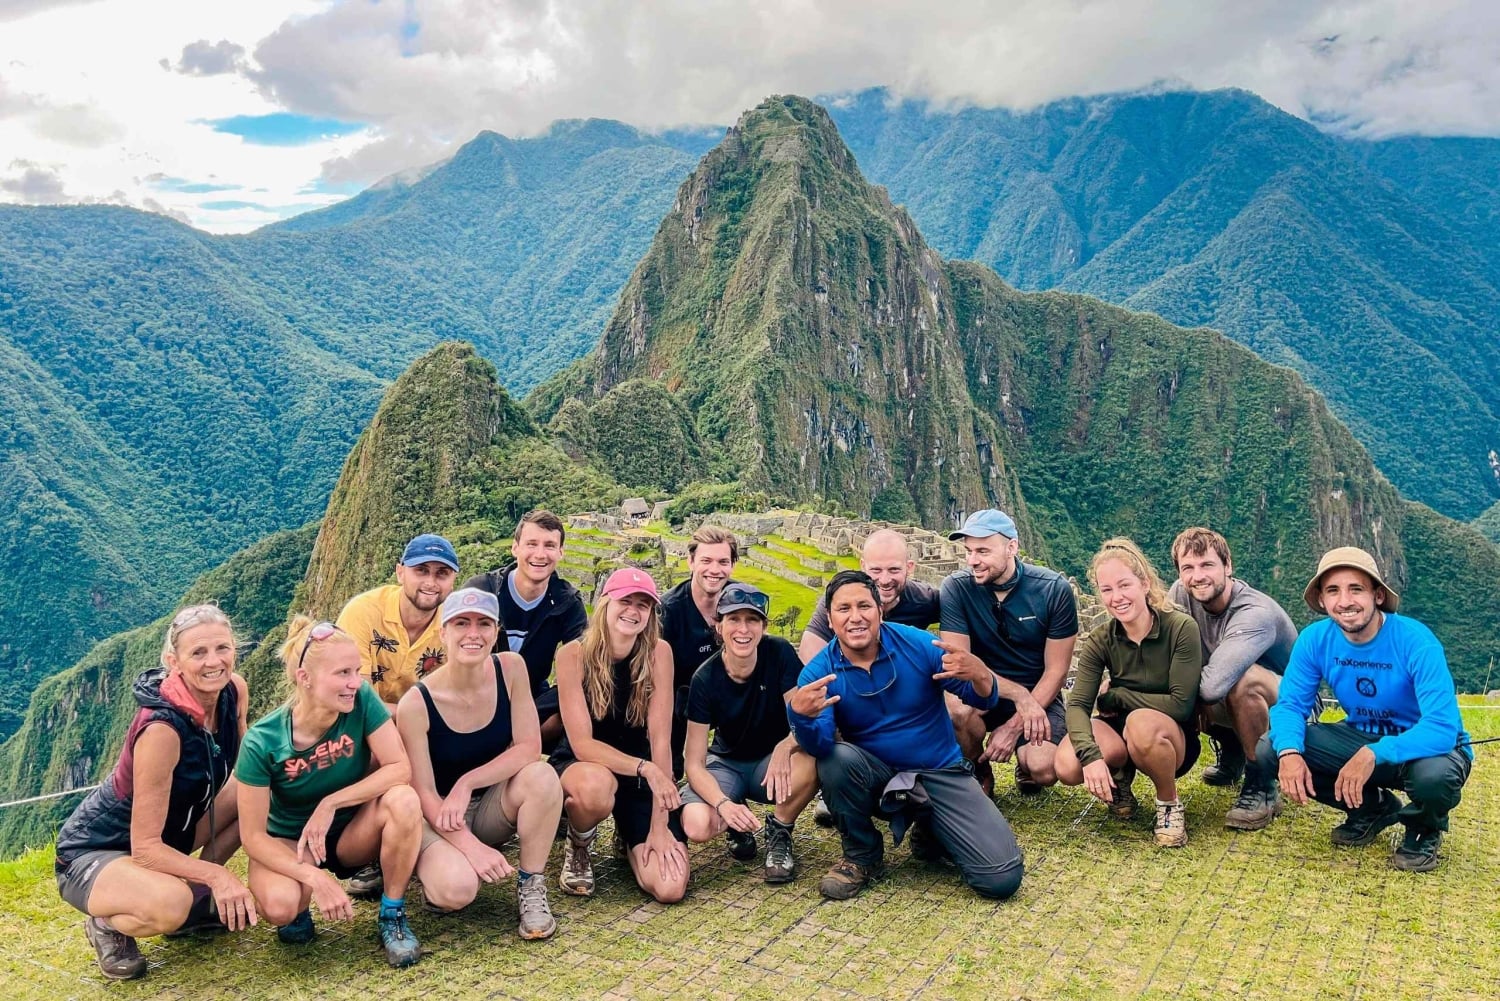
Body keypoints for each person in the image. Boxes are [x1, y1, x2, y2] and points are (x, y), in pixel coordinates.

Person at [790, 570, 1025, 901]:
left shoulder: (918, 644)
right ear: (829, 619)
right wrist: (800, 717)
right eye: (844, 609)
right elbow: (821, 745)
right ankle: (861, 854)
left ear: (880, 611)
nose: (855, 618)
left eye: (864, 606)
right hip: (877, 778)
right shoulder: (819, 672)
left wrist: (981, 676)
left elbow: (979, 698)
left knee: (1001, 878)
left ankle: (931, 831)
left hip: (939, 770)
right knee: (835, 759)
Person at [54, 605, 255, 980]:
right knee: (170, 903)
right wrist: (218, 876)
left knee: (257, 793)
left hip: (172, 831)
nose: (214, 662)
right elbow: (144, 846)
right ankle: (108, 923)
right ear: (173, 661)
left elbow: (247, 769)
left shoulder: (234, 691)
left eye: (222, 649)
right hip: (100, 849)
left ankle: (193, 903)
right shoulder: (161, 730)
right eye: (198, 652)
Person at [1259, 547, 1473, 872]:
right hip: (1361, 734)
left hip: (1426, 748)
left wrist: (1374, 753)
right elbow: (1290, 705)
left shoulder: (1416, 641)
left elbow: (1442, 728)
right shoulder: (1315, 639)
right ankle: (1371, 809)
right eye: (1333, 590)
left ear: (1377, 595)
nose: (1345, 601)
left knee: (1434, 778)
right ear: (1322, 599)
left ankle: (1423, 828)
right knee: (1270, 749)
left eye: (1355, 588)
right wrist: (1289, 752)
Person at [236, 617, 424, 968]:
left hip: (351, 834)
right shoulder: (263, 741)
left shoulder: (362, 700)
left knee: (404, 799)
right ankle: (300, 905)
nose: (355, 683)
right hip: (292, 841)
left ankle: (392, 914)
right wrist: (312, 877)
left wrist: (332, 802)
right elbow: (252, 836)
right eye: (342, 674)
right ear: (304, 678)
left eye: (356, 671)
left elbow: (400, 768)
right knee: (279, 907)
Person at [396, 588, 563, 938]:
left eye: (483, 624)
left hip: (488, 804)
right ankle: (428, 864)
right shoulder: (417, 703)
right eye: (461, 623)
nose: (473, 634)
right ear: (443, 632)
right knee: (456, 891)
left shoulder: (511, 669)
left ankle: (532, 885)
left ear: (496, 631)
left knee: (542, 776)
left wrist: (466, 783)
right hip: (438, 815)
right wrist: (470, 847)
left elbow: (529, 747)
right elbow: (423, 791)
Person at [550, 568, 689, 903]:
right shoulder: (573, 654)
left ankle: (630, 835)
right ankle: (580, 844)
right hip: (587, 764)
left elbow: (660, 738)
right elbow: (583, 745)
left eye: (644, 604)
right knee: (595, 789)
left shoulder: (659, 652)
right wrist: (647, 769)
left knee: (669, 888)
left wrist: (659, 823)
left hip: (642, 769)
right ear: (605, 604)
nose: (634, 610)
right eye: (626, 600)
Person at [1055, 539, 1203, 847]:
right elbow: (1079, 705)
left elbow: (1180, 705)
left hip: (1170, 737)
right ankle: (1119, 776)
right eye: (1107, 590)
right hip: (1121, 731)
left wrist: (1119, 696)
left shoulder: (1179, 628)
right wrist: (1091, 756)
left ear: (1145, 584)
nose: (1117, 597)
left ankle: (1168, 804)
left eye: (1124, 585)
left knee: (1140, 723)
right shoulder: (1102, 639)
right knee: (1068, 764)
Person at [335, 532, 458, 897]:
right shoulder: (364, 611)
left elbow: (455, 693)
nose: (431, 582)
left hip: (425, 729)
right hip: (361, 725)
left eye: (441, 573)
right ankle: (374, 851)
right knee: (382, 756)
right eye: (422, 570)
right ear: (400, 572)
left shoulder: (452, 625)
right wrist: (409, 715)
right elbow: (353, 689)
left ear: (453, 579)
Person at [798, 528, 940, 826]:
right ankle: (835, 788)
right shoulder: (838, 600)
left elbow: (958, 631)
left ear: (910, 568)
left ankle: (946, 784)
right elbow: (811, 654)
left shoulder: (925, 600)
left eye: (894, 570)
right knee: (827, 709)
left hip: (904, 696)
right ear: (863, 567)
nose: (884, 579)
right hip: (855, 693)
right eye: (876, 570)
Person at [681, 584, 816, 883]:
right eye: (733, 619)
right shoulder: (704, 678)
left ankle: (780, 832)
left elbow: (804, 721)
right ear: (719, 625)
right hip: (727, 763)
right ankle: (736, 821)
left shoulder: (779, 653)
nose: (743, 629)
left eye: (752, 620)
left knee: (811, 757)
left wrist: (786, 746)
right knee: (697, 825)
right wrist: (722, 803)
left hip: (771, 764)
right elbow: (693, 763)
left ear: (763, 626)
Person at [939, 509, 1079, 794]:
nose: (972, 560)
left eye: (982, 551)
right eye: (968, 551)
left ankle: (1024, 760)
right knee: (956, 710)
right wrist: (1017, 695)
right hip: (980, 690)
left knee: (1045, 768)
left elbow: (1056, 671)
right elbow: (960, 664)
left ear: (1011, 547)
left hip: (1038, 691)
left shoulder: (1053, 590)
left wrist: (1015, 725)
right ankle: (977, 768)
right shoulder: (957, 589)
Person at [1168, 527, 1297, 829]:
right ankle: (1235, 750)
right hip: (1222, 692)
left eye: (1207, 565)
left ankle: (1262, 783)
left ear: (1228, 566)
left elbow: (1213, 686)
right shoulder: (1180, 595)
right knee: (1199, 675)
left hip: (1292, 710)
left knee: (1240, 680)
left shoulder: (1255, 612)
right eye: (1188, 567)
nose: (1197, 576)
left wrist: (1184, 692)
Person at [464, 510, 588, 747]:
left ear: (561, 552)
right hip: (475, 697)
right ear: (515, 548)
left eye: (550, 546)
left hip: (532, 700)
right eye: (532, 544)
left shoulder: (567, 603)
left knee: (565, 717)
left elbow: (584, 668)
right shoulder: (482, 591)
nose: (540, 554)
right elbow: (453, 656)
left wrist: (529, 713)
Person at [660, 525, 738, 776]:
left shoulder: (741, 602)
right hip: (676, 699)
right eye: (706, 560)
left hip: (728, 694)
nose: (715, 570)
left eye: (723, 562)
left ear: (732, 565)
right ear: (691, 562)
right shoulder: (668, 611)